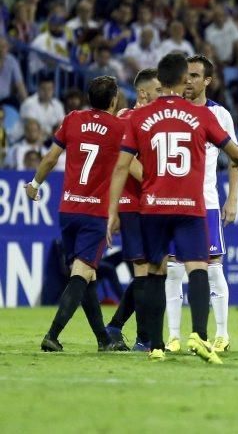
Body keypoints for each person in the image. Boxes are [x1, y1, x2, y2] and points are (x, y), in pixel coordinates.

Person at [107, 52, 238, 363]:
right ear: (184, 79)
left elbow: (121, 167)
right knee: (197, 266)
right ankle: (194, 333)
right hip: (191, 203)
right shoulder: (201, 116)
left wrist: (112, 210)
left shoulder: (140, 117)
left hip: (155, 204)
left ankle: (156, 343)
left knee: (158, 270)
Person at [27, 76, 127, 353]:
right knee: (81, 274)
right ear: (113, 100)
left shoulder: (72, 119)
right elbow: (128, 166)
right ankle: (53, 335)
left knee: (87, 277)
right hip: (94, 212)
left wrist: (34, 185)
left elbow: (49, 158)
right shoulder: (119, 127)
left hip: (68, 209)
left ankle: (103, 340)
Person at [164, 55, 238, 354]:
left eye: (195, 76)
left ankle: (221, 334)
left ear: (207, 80)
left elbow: (236, 157)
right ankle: (173, 336)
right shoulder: (171, 112)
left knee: (212, 268)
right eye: (186, 75)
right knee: (172, 270)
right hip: (171, 202)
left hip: (205, 201)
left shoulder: (219, 115)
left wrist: (232, 198)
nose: (189, 81)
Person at [104, 68, 162, 352]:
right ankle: (144, 339)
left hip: (150, 203)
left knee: (151, 271)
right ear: (143, 93)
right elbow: (129, 164)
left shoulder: (153, 119)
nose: (163, 95)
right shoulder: (127, 118)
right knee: (142, 271)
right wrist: (161, 182)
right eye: (159, 91)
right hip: (134, 204)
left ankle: (115, 327)